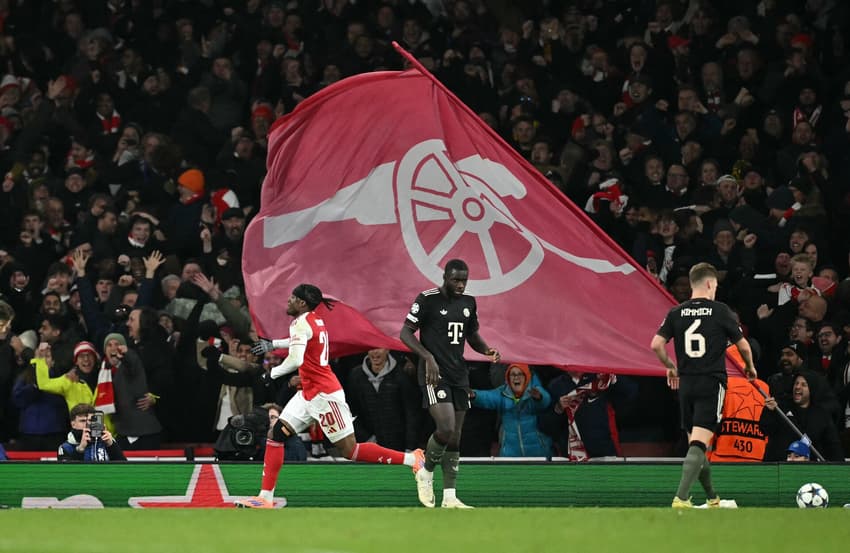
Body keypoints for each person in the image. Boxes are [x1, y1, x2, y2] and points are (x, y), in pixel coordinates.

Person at [234, 284, 425, 509]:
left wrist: (271, 374)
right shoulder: (314, 320)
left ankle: (414, 459)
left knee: (350, 451)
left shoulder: (301, 323)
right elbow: (300, 341)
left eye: (293, 298)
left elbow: (295, 359)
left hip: (325, 395)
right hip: (308, 392)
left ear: (302, 303)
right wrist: (273, 344)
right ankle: (265, 497)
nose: (289, 300)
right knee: (275, 435)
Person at [651, 262, 756, 508]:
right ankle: (681, 498)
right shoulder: (720, 311)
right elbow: (743, 345)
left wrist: (670, 365)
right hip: (711, 382)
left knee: (696, 445)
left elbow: (656, 344)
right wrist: (750, 367)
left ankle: (712, 498)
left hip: (686, 384)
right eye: (715, 286)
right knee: (699, 444)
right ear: (710, 284)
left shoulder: (676, 312)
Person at [400, 259, 500, 508]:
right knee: (444, 428)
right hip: (434, 374)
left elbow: (472, 335)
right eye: (456, 279)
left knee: (455, 438)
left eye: (464, 280)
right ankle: (425, 470)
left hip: (459, 375)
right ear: (445, 277)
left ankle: (449, 496)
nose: (460, 285)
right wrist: (427, 357)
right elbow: (404, 333)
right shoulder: (427, 299)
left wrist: (486, 349)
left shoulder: (468, 303)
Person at [470, 363, 552, 457]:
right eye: (513, 374)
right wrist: (474, 395)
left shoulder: (534, 391)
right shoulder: (503, 392)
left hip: (538, 454)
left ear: (526, 376)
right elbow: (488, 397)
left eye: (520, 374)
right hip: (510, 454)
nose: (516, 377)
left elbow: (546, 401)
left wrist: (539, 397)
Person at [58, 403, 126, 462]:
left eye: (91, 420)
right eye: (83, 421)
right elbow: (67, 474)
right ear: (73, 424)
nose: (88, 424)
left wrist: (111, 446)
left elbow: (125, 469)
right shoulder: (65, 447)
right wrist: (80, 449)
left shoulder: (106, 441)